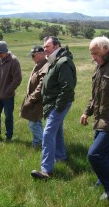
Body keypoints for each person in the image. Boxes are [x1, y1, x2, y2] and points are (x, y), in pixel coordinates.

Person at [80, 36, 109, 200]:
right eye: (91, 54)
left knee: (94, 154)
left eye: (95, 53)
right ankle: (103, 179)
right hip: (100, 119)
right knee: (103, 154)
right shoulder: (100, 67)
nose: (93, 57)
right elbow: (95, 95)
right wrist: (87, 112)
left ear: (105, 49)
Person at [31, 36, 77, 179]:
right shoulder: (55, 60)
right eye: (44, 47)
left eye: (48, 46)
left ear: (57, 46)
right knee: (57, 131)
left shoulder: (63, 62)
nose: (45, 49)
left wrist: (58, 106)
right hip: (53, 102)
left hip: (58, 103)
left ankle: (46, 170)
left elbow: (67, 87)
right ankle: (61, 156)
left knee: (48, 133)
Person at [0, 41, 22, 142]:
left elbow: (17, 79)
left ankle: (9, 136)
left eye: (0, 54)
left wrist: (7, 91)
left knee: (8, 117)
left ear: (6, 51)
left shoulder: (14, 61)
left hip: (8, 96)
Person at [20, 45, 49, 148]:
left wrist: (31, 99)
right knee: (36, 122)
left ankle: (38, 143)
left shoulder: (45, 66)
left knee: (34, 123)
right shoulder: (39, 64)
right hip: (35, 99)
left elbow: (41, 87)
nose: (32, 58)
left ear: (41, 54)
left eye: (33, 56)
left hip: (38, 100)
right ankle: (41, 143)